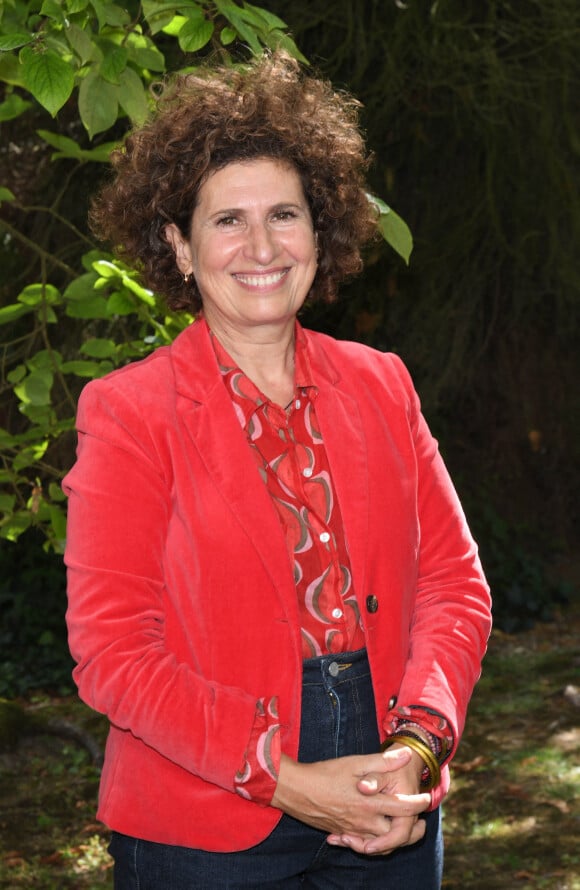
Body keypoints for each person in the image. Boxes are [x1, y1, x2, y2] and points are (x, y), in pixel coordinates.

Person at [63, 50, 492, 889]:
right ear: (178, 246)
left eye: (284, 214)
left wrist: (417, 746)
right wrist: (282, 779)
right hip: (199, 812)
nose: (260, 246)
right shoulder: (127, 412)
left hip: (386, 784)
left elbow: (453, 586)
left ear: (318, 231)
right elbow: (113, 651)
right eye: (226, 221)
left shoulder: (383, 384)